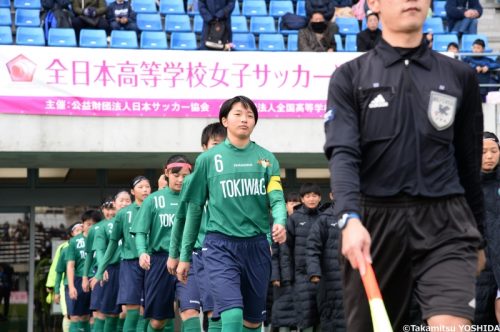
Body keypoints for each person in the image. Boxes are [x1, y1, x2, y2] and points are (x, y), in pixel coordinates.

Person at [323, 0, 485, 328]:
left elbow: (469, 165)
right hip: (374, 224)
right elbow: (343, 154)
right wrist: (349, 219)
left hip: (445, 223)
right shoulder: (349, 77)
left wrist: (479, 234)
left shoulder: (460, 76)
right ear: (376, 5)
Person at [175, 95, 287, 332]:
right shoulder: (207, 160)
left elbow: (276, 197)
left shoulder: (267, 159)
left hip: (257, 246)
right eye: (238, 114)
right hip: (220, 246)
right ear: (224, 120)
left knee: (253, 322)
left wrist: (280, 220)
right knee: (232, 314)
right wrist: (184, 255)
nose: (244, 120)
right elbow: (193, 213)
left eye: (249, 115)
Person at [167, 122, 227, 332]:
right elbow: (181, 219)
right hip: (190, 256)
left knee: (214, 312)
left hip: (217, 256)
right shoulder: (192, 180)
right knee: (188, 311)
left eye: (224, 144)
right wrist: (175, 254)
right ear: (204, 147)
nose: (220, 148)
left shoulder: (231, 177)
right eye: (215, 144)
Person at [131, 156, 192, 332]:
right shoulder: (153, 200)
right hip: (160, 261)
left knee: (190, 310)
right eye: (176, 175)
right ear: (166, 173)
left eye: (185, 175)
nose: (180, 179)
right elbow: (140, 231)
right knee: (159, 321)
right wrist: (142, 252)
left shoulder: (194, 199)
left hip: (189, 259)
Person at [94, 176, 151, 332]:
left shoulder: (155, 207)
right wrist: (100, 270)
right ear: (133, 191)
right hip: (130, 264)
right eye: (141, 187)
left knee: (152, 311)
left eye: (147, 186)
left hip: (153, 263)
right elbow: (112, 244)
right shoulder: (123, 214)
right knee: (132, 310)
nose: (145, 189)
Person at [282, 183, 323, 331]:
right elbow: (286, 249)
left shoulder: (324, 218)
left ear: (320, 198)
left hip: (322, 274)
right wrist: (287, 276)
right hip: (301, 276)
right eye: (308, 196)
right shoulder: (294, 219)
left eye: (314, 195)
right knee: (305, 317)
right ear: (302, 199)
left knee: (322, 316)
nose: (311, 199)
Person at [90, 191, 132, 332]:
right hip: (112, 269)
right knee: (110, 312)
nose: (109, 212)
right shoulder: (102, 227)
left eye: (127, 200)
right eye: (106, 208)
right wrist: (102, 268)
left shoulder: (137, 218)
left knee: (131, 309)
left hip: (132, 266)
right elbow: (99, 251)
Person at [306, 192, 345, 331]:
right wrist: (314, 272)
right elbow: (312, 247)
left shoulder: (360, 214)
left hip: (354, 278)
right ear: (331, 195)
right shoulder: (325, 219)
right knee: (332, 320)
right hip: (330, 280)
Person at [66, 210, 102, 332]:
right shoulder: (74, 242)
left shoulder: (103, 238)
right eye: (88, 224)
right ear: (83, 225)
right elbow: (70, 266)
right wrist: (71, 287)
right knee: (79, 316)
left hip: (98, 279)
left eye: (94, 224)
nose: (91, 227)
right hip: (79, 280)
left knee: (98, 314)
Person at [478, 132, 500, 324]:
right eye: (483, 151)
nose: (489, 156)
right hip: (477, 265)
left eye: (494, 151)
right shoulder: (466, 186)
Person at [271, 192, 300, 332]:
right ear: (285, 205)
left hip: (301, 276)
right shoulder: (279, 226)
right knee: (283, 314)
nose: (294, 205)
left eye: (296, 202)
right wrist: (275, 275)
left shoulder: (303, 221)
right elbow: (274, 254)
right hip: (283, 277)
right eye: (291, 202)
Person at [47, 222, 83, 332]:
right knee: (69, 315)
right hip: (67, 286)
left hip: (85, 285)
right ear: (71, 234)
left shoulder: (90, 245)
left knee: (86, 316)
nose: (80, 232)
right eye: (77, 230)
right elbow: (56, 269)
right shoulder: (64, 248)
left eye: (82, 229)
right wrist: (53, 286)